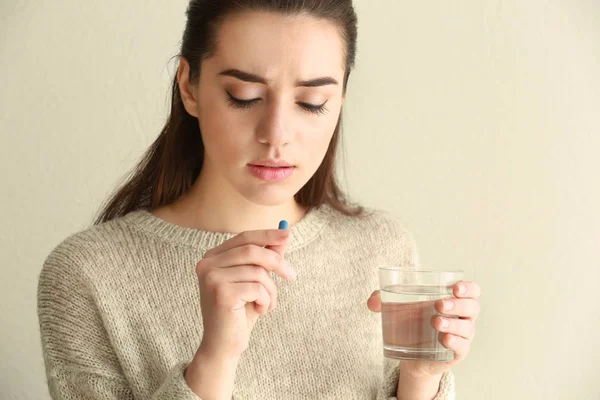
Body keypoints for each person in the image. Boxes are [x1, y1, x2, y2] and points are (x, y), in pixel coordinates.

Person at [37, 1, 481, 399]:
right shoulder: (88, 275)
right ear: (189, 87)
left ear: (341, 97)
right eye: (244, 96)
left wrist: (421, 377)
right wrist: (213, 361)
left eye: (311, 102)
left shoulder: (381, 247)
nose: (277, 134)